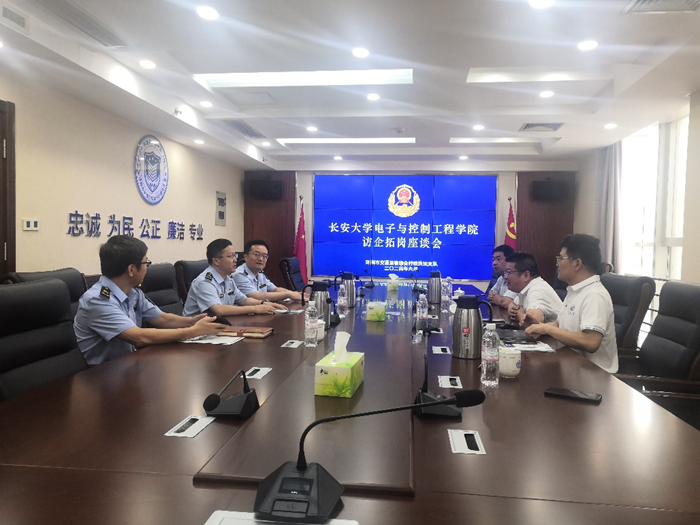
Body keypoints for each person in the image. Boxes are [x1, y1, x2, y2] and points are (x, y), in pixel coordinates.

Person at [74, 236, 225, 365]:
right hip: (100, 375)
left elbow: (162, 319)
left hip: (129, 364)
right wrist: (193, 331)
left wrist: (191, 321)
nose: (147, 267)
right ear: (131, 270)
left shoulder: (133, 292)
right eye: (146, 263)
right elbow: (139, 337)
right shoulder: (97, 300)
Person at [525, 234, 618, 373]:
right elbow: (560, 324)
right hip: (571, 366)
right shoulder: (574, 290)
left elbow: (591, 341)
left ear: (577, 263)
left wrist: (548, 329)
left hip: (595, 376)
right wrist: (538, 327)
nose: (557, 264)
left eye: (560, 259)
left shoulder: (594, 295)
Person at [182, 238, 281, 317]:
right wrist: (255, 309)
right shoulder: (204, 282)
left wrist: (263, 303)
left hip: (219, 325)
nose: (235, 260)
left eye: (235, 255)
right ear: (216, 261)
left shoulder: (228, 279)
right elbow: (219, 310)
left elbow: (244, 300)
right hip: (196, 331)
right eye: (231, 256)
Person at [233, 239, 303, 302]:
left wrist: (295, 294)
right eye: (256, 254)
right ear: (246, 256)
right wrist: (289, 294)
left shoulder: (260, 273)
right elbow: (256, 296)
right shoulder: (239, 274)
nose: (260, 259)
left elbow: (275, 289)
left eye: (264, 256)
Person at [503, 252, 562, 326]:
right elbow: (514, 304)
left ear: (526, 275)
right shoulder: (526, 288)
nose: (505, 277)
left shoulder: (538, 290)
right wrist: (511, 306)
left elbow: (531, 323)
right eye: (505, 272)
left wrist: (518, 313)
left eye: (509, 272)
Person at [487, 244, 516, 309]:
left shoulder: (515, 278)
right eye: (493, 259)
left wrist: (499, 299)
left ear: (509, 260)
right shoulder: (501, 278)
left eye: (498, 259)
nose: (494, 263)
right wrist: (500, 300)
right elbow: (490, 294)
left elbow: (505, 303)